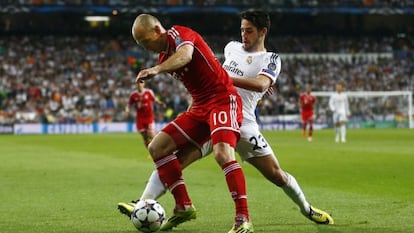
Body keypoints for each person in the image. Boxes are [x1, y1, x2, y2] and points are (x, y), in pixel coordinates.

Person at [119, 9, 333, 230]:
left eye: (249, 31)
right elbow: (206, 71)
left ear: (263, 32)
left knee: (276, 174)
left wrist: (226, 78)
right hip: (212, 113)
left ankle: (305, 207)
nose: (244, 35)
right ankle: (145, 204)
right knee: (174, 159)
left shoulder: (271, 59)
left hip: (242, 118)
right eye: (242, 30)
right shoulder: (231, 48)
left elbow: (259, 84)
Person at [128, 14, 253, 233]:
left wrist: (156, 70)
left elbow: (185, 56)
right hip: (200, 108)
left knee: (223, 154)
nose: (145, 48)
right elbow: (195, 85)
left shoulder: (180, 34)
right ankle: (183, 205)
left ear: (157, 29)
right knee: (157, 147)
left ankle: (243, 218)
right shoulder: (163, 57)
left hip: (223, 100)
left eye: (145, 41)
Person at [126, 80, 166, 148]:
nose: (139, 84)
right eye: (138, 83)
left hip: (149, 117)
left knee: (151, 134)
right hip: (140, 118)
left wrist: (161, 103)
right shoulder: (133, 95)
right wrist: (127, 110)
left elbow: (155, 100)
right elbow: (129, 104)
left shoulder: (149, 92)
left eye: (141, 82)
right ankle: (151, 152)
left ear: (144, 84)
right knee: (145, 137)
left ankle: (161, 146)